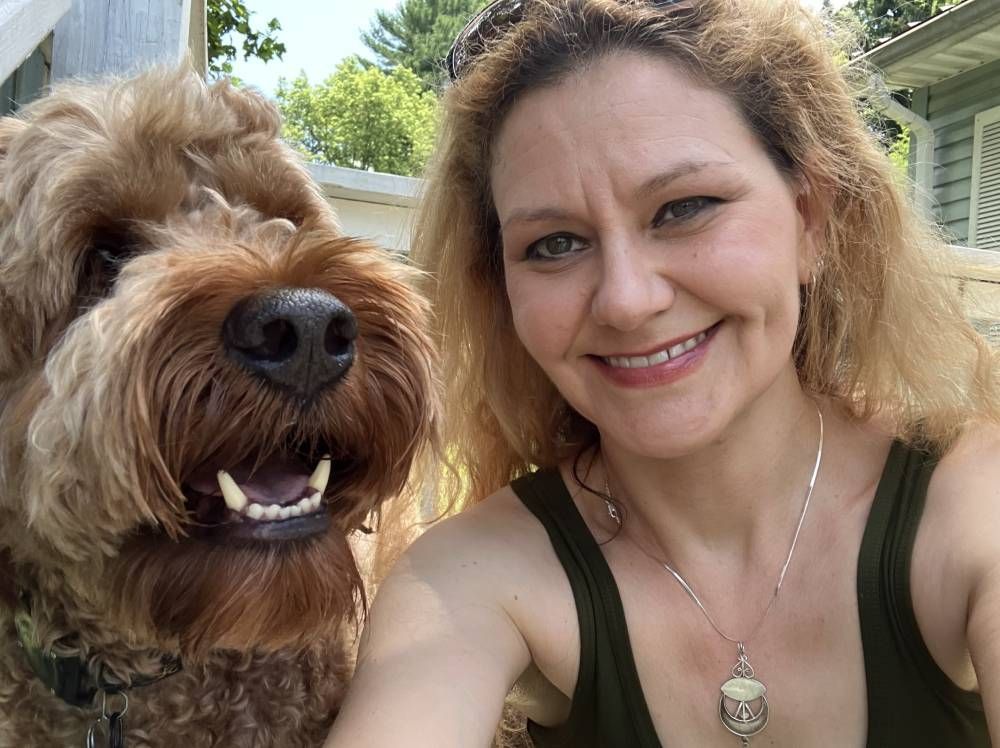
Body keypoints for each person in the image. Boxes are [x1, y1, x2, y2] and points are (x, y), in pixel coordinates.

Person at [326, 0, 1000, 745]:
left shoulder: (971, 504)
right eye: (554, 244)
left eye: (685, 207)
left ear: (810, 220)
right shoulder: (468, 580)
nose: (626, 299)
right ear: (502, 291)